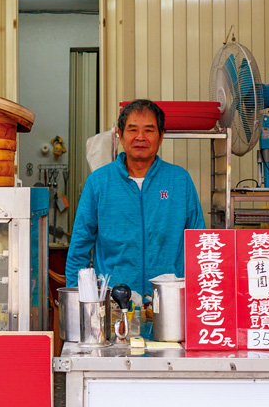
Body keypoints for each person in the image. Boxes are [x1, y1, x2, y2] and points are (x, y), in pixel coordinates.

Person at [66, 99, 206, 303]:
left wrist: (198, 297)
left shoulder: (179, 180)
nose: (140, 137)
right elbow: (79, 247)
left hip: (170, 302)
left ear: (161, 137)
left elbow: (199, 245)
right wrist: (76, 303)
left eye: (149, 130)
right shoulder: (99, 182)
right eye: (132, 130)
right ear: (121, 136)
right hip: (113, 302)